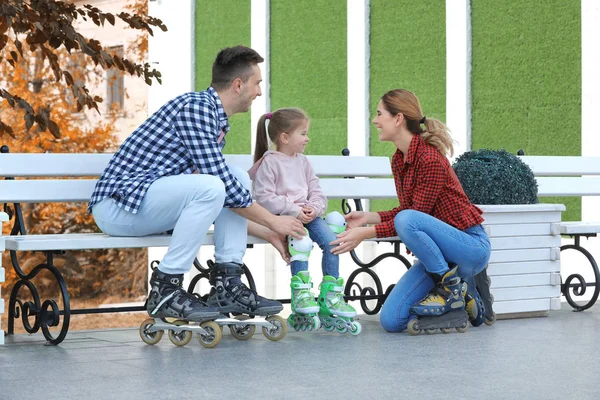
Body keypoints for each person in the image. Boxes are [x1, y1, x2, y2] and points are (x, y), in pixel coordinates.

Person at [88, 46, 306, 328]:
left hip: (146, 206)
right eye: (257, 83)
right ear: (239, 85)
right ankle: (166, 287)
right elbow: (217, 187)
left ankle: (227, 284)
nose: (259, 92)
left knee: (236, 177)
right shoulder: (196, 109)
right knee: (219, 183)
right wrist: (275, 222)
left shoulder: (214, 117)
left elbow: (225, 194)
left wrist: (267, 230)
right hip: (118, 207)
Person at [330, 89, 493, 334]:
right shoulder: (399, 159)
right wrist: (368, 217)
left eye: (379, 114)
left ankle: (452, 289)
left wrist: (366, 234)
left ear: (398, 119)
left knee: (407, 219)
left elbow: (411, 217)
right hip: (440, 258)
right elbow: (409, 211)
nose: (375, 121)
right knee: (392, 320)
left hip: (470, 246)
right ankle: (460, 292)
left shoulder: (429, 158)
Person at [248, 108, 360, 334]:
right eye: (303, 133)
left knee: (333, 243)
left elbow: (317, 191)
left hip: (308, 215)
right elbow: (265, 197)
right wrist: (294, 209)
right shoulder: (269, 163)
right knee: (302, 244)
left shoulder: (303, 162)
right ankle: (300, 295)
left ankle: (330, 297)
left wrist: (313, 208)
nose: (307, 138)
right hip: (285, 218)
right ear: (285, 137)